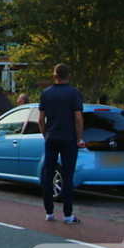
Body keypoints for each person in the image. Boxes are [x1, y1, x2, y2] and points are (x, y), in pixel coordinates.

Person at [38, 64, 85, 224]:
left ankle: (49, 212)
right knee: (68, 175)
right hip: (68, 138)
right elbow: (78, 118)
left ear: (55, 76)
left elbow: (40, 118)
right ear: (68, 76)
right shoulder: (74, 93)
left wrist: (46, 134)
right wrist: (78, 138)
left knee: (48, 174)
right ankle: (68, 214)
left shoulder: (46, 93)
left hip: (51, 137)